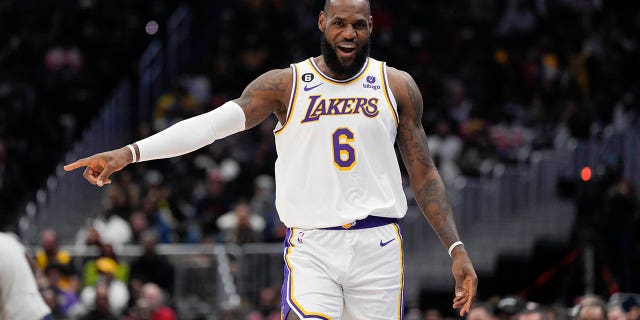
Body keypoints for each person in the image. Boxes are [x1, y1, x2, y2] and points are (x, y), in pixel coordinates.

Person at [64, 0, 477, 318]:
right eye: (339, 22)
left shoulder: (397, 86)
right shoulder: (286, 85)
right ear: (321, 22)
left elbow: (424, 174)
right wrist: (128, 153)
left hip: (380, 244)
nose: (349, 32)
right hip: (313, 244)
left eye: (359, 24)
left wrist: (455, 247)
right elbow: (209, 126)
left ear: (371, 27)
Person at [0, 232, 53, 320]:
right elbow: (34, 267)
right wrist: (45, 289)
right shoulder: (8, 239)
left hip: (18, 315)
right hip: (39, 311)